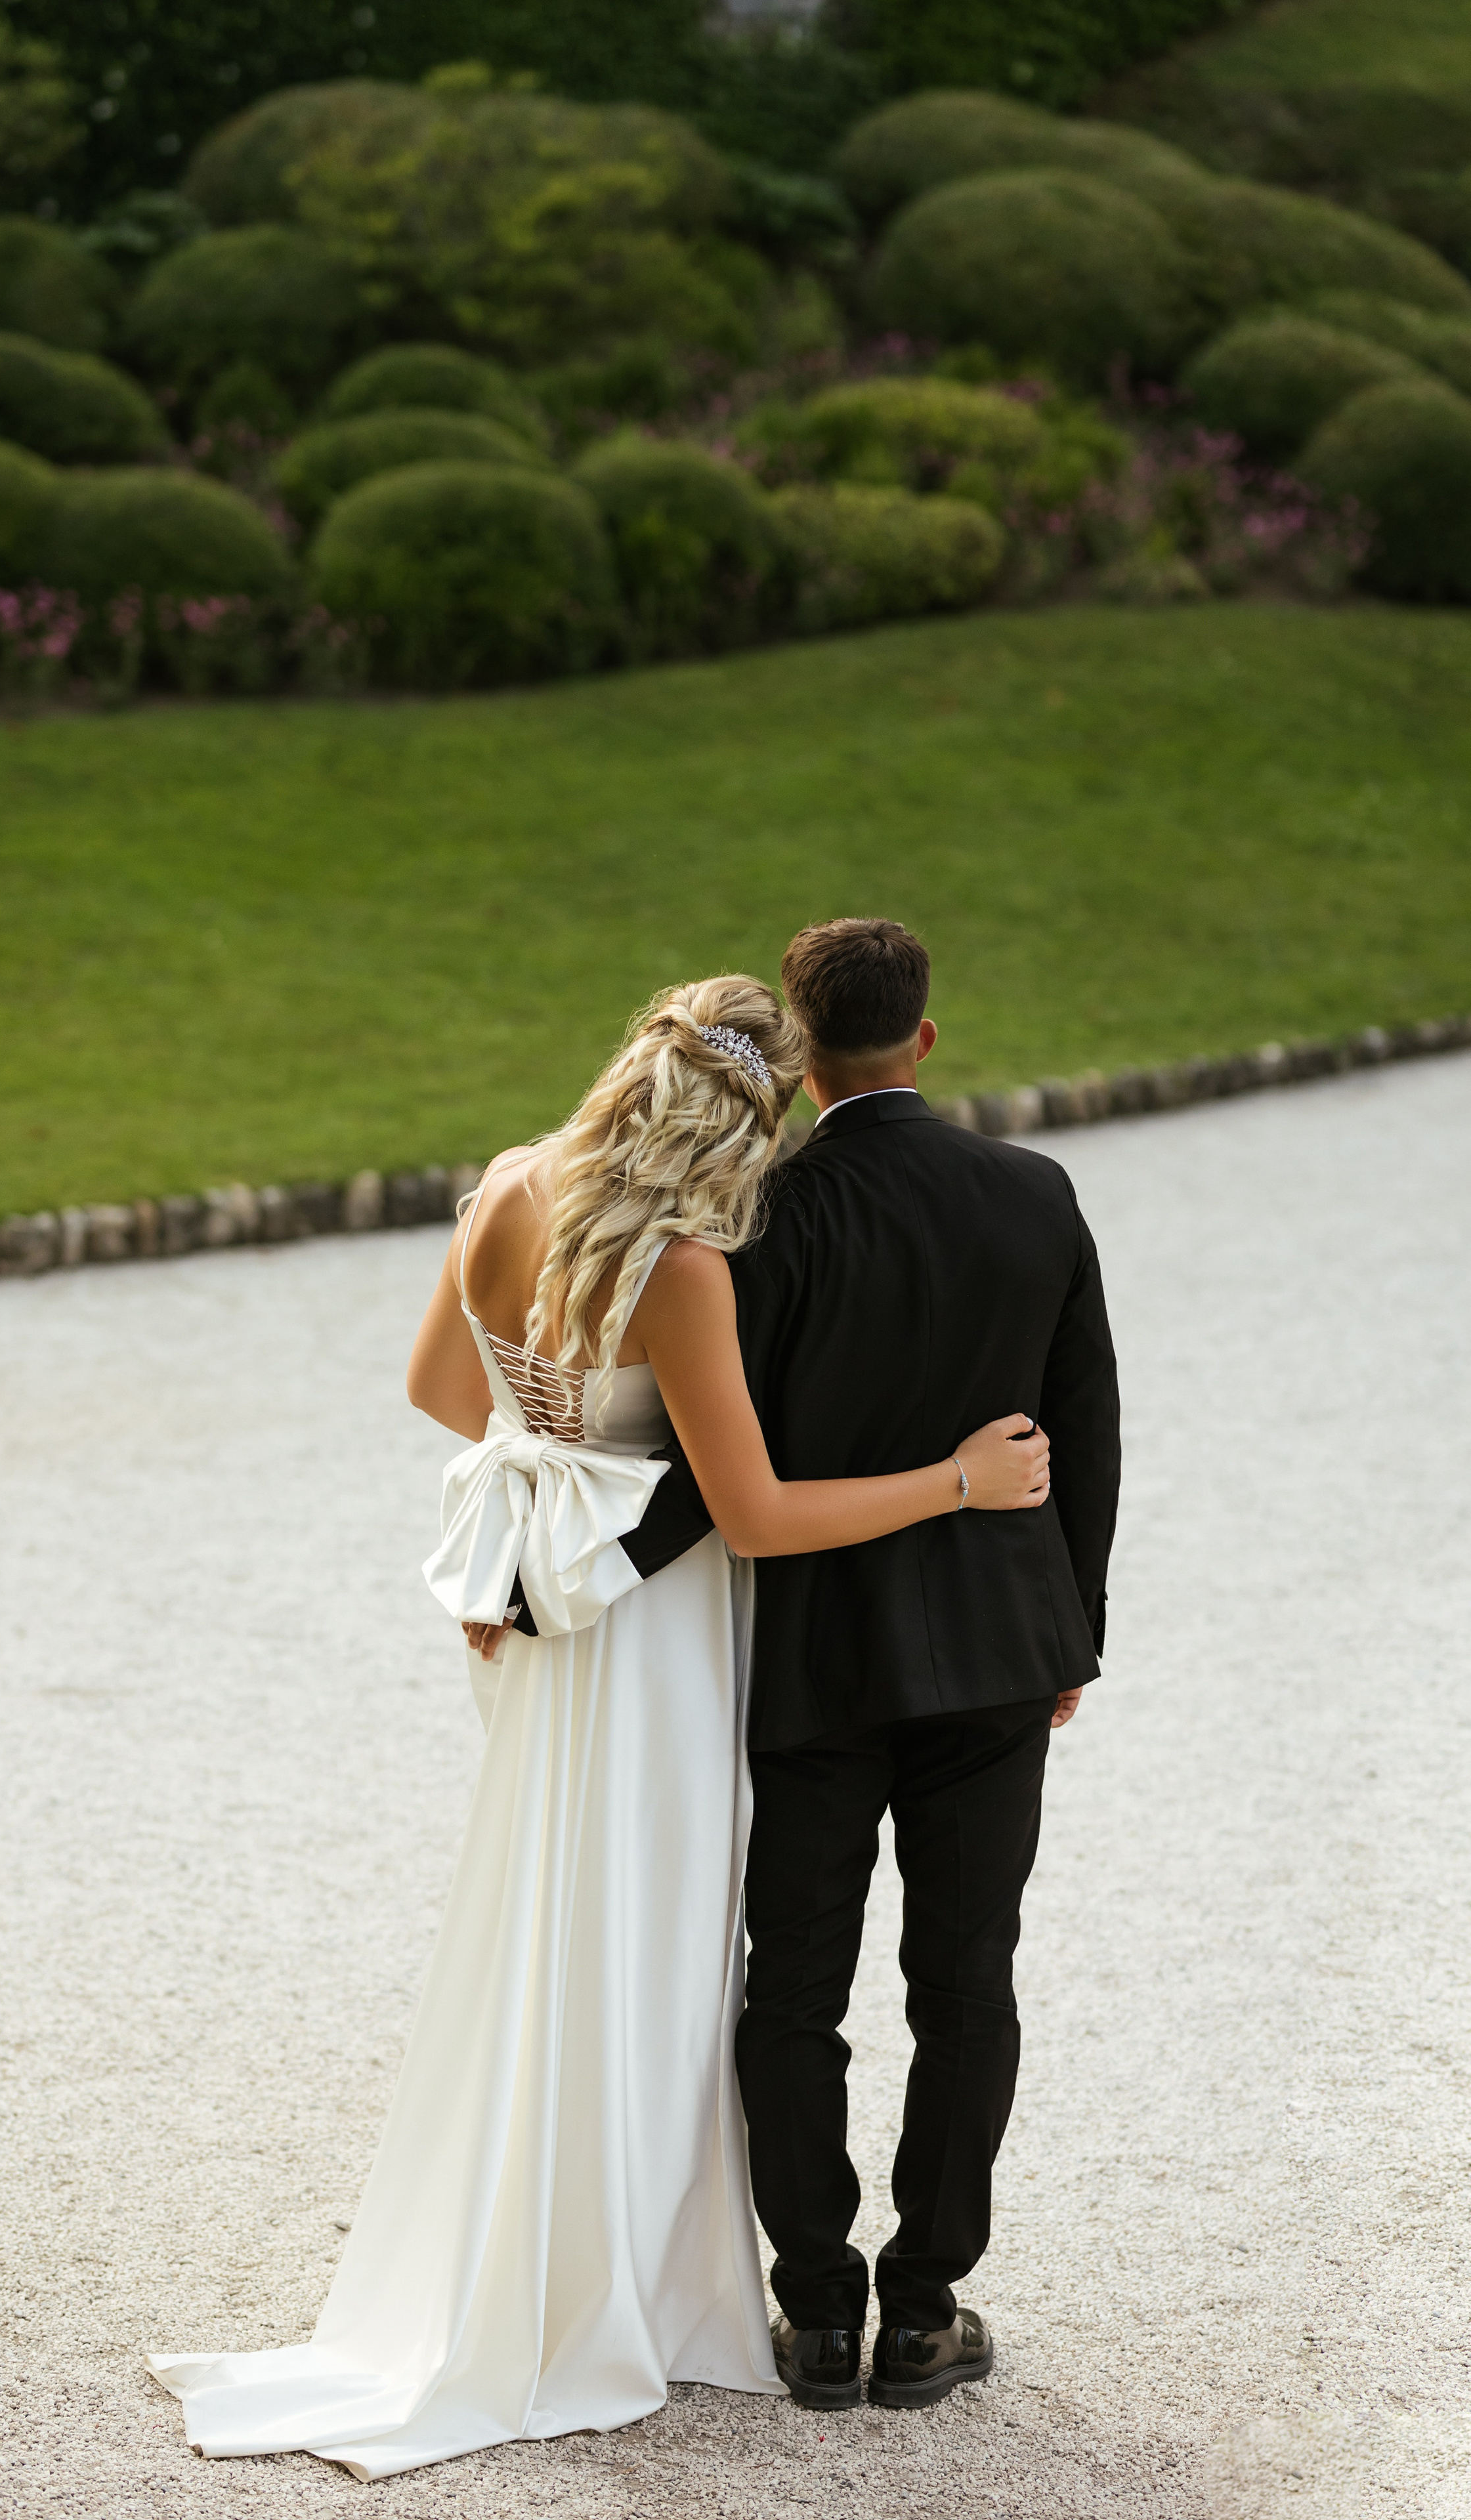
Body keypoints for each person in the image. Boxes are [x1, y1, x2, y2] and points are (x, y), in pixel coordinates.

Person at [146, 971, 1050, 2481]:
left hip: (545, 1621)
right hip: (652, 1636)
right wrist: (958, 1482)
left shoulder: (508, 1188)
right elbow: (752, 1515)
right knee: (651, 1941)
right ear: (746, 1110)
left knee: (547, 1924)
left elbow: (446, 1389)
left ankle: (529, 2254)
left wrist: (554, 1469)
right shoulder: (684, 1265)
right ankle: (618, 2278)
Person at [556, 918, 1122, 2414]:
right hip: (1001, 1657)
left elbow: (703, 1463)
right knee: (968, 1978)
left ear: (799, 1059)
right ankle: (924, 2306)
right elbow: (1083, 1426)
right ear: (922, 1040)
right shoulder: (1034, 1194)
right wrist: (1079, 1630)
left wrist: (566, 1580)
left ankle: (812, 2313)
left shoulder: (757, 1222)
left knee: (788, 1990)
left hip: (814, 1665)